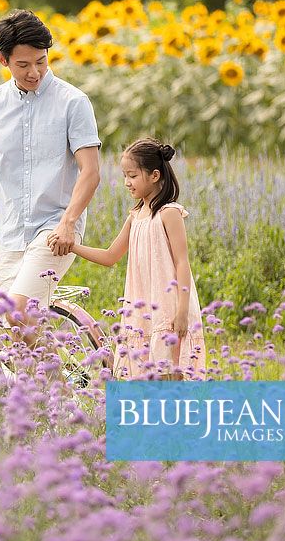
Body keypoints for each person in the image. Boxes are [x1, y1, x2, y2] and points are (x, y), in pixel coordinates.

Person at [0, 10, 102, 331]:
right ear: (3, 60)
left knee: (18, 314)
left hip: (55, 229)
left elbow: (91, 171)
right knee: (12, 331)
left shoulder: (73, 102)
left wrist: (68, 223)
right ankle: (60, 381)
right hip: (10, 233)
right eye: (23, 65)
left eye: (41, 61)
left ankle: (56, 382)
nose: (35, 72)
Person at [52, 137, 207, 379]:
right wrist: (72, 246)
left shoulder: (169, 213)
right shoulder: (135, 216)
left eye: (132, 176)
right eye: (125, 176)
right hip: (141, 309)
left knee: (170, 375)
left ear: (154, 175)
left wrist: (182, 310)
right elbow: (110, 256)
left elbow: (181, 262)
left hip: (168, 309)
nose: (127, 183)